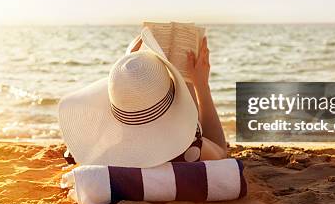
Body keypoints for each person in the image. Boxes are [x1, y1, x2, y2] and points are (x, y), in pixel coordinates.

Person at [59, 28, 227, 168]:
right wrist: (201, 85)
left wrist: (129, 65)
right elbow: (220, 152)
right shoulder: (188, 147)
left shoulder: (99, 147)